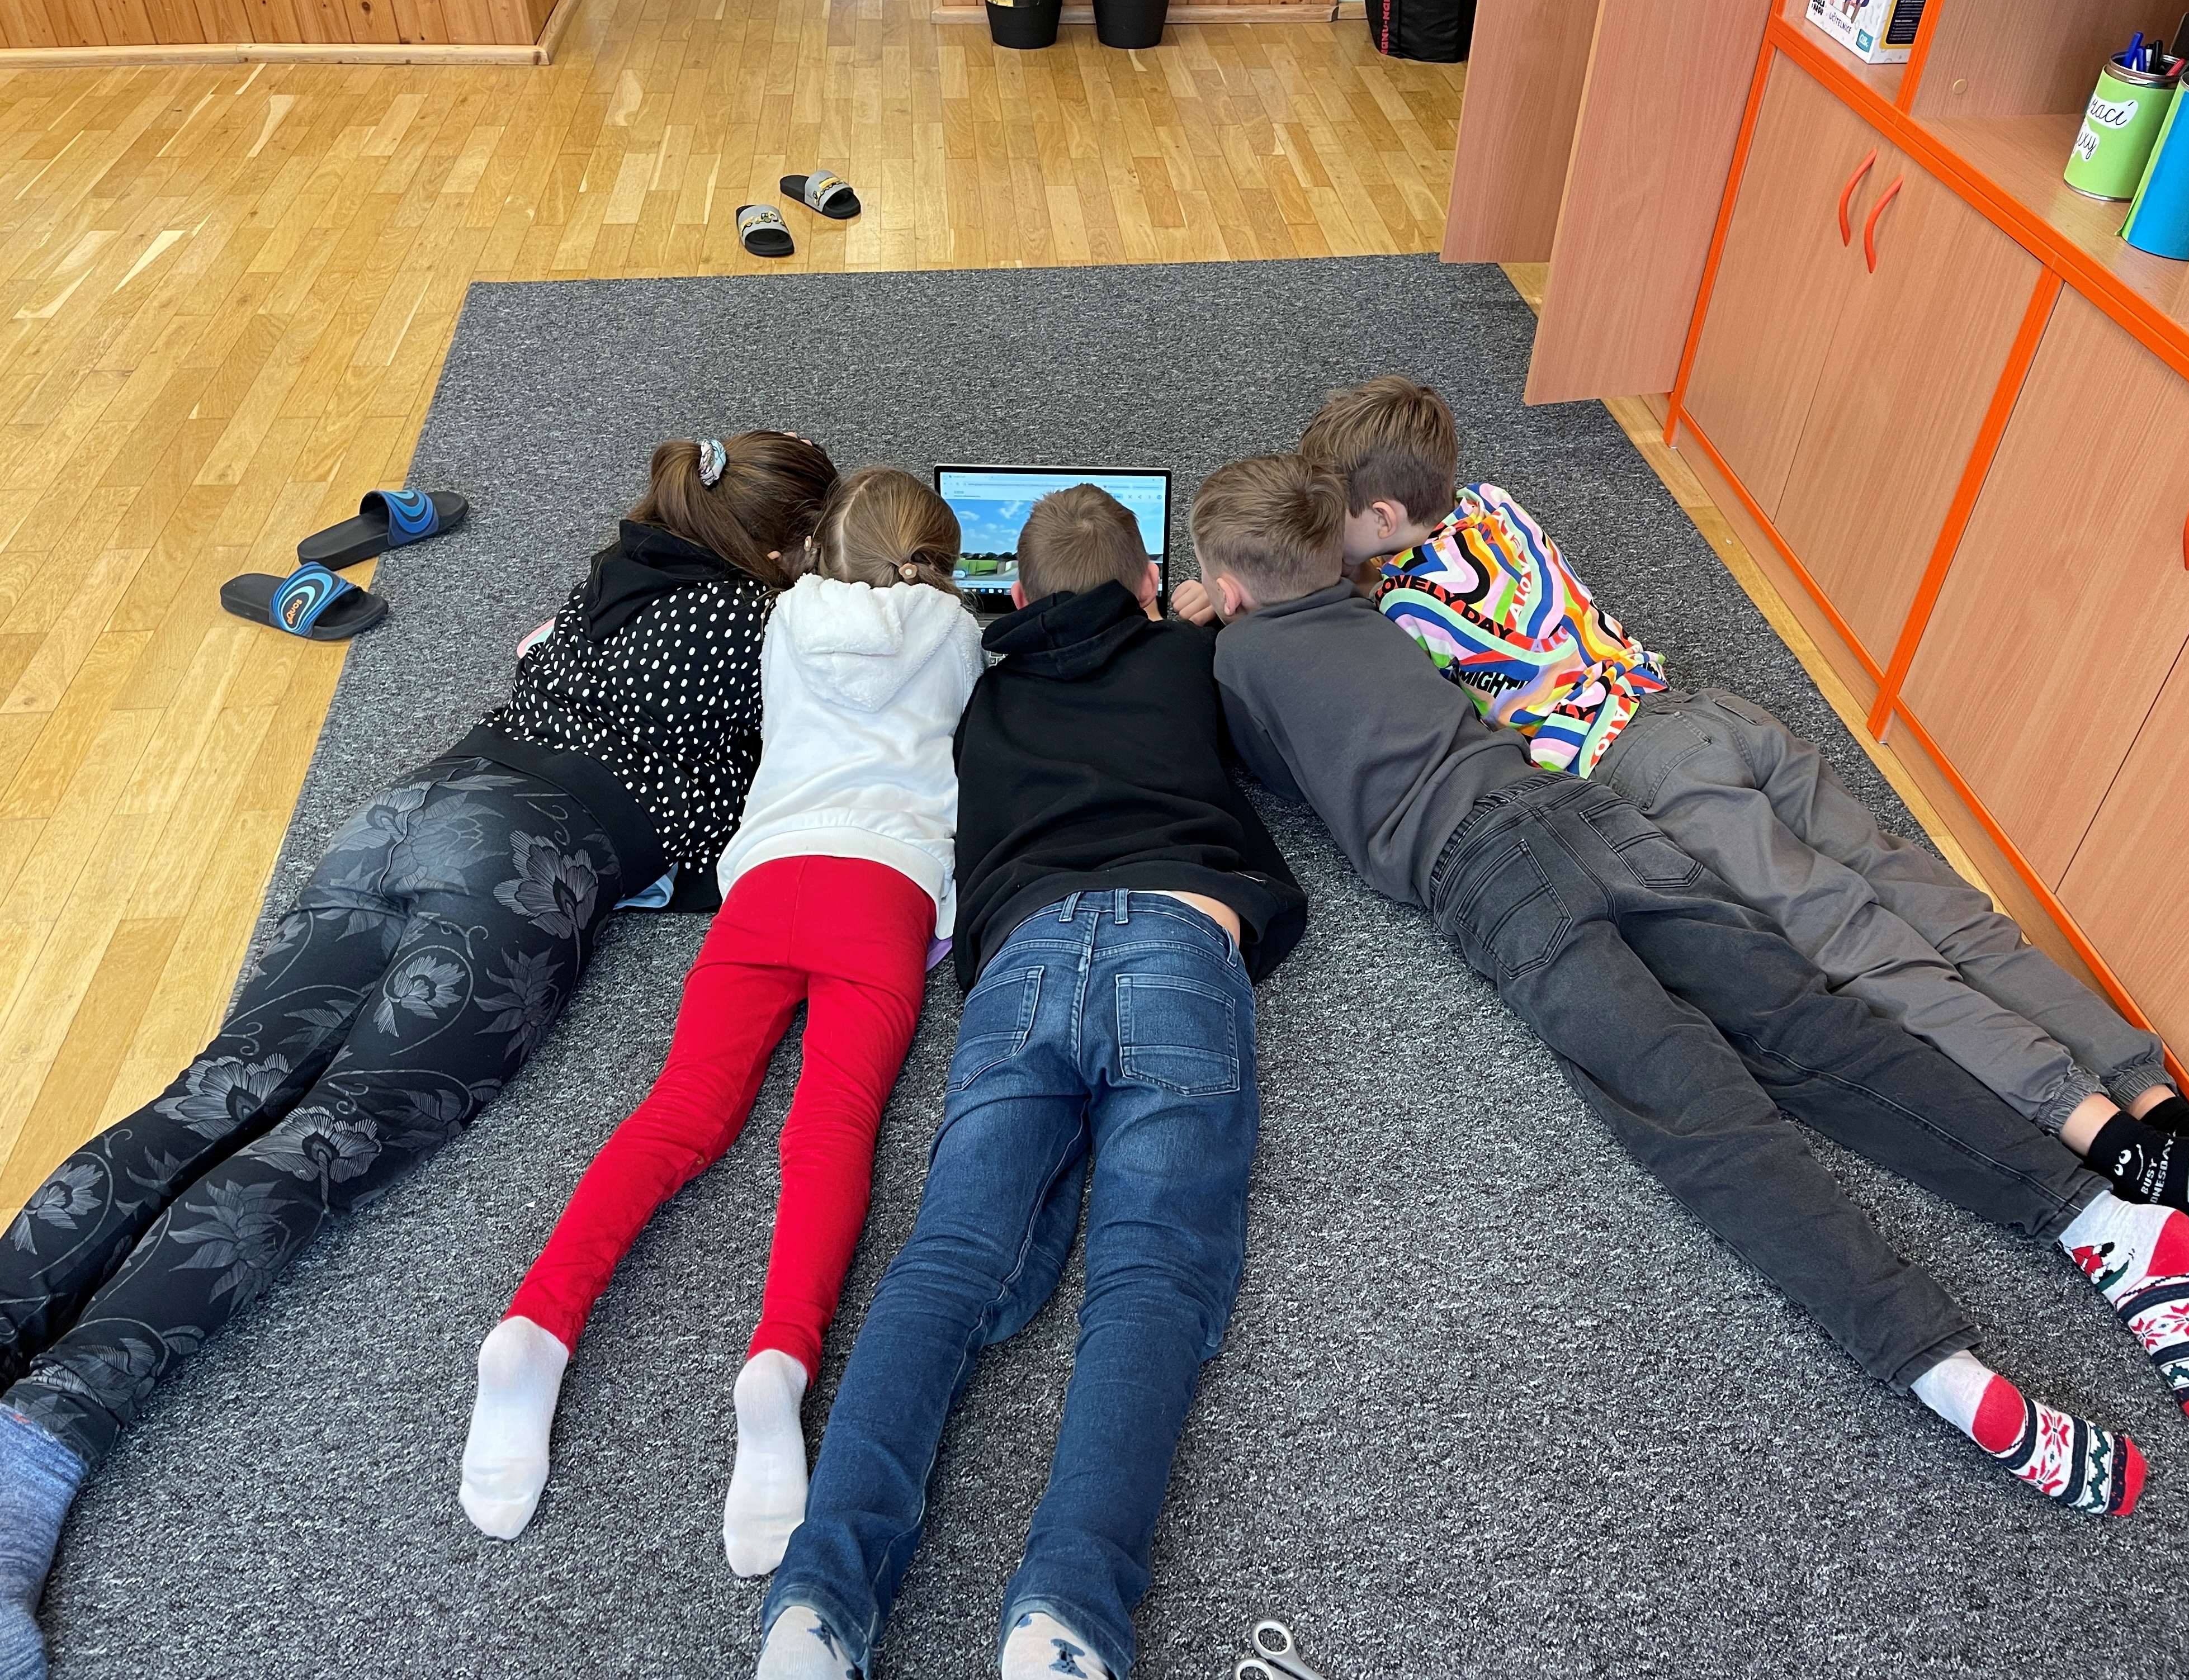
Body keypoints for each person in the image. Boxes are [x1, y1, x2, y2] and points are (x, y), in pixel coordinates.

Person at [1193, 452, 2189, 1520]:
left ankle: (1937, 1364)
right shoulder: (1381, 610)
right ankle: (2100, 1216)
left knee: (1697, 1119)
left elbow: (1272, 772)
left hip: (1485, 880)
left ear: (1229, 591)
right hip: (1584, 811)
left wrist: (1207, 630)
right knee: (1812, 1027)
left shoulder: (1238, 655)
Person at [0, 430, 837, 1680]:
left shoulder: (610, 574)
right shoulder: (761, 633)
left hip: (399, 816)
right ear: (785, 550)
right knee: (321, 1143)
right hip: (518, 864)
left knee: (209, 1093)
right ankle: (36, 1448)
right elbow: (780, 810)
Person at [753, 484, 1307, 1680]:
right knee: (1152, 1274)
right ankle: (1064, 1614)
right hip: (1178, 937)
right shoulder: (1185, 658)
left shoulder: (981, 692)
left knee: (949, 1261)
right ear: (1149, 587)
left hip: (1028, 955)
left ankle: (818, 1600)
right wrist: (1190, 622)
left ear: (1012, 594)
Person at [457, 468, 985, 1576]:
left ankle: (537, 1322)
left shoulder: (781, 620)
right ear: (942, 564)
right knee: (830, 1131)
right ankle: (779, 1363)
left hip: (767, 885)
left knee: (680, 1112)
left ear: (815, 553)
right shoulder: (962, 637)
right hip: (880, 893)